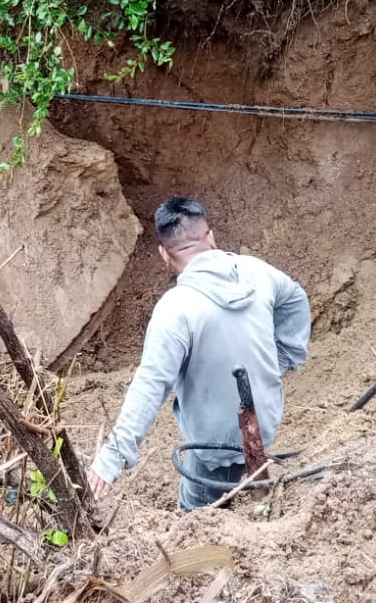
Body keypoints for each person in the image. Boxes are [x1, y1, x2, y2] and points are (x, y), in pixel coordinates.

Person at [88, 197, 311, 512]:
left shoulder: (176, 308)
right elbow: (296, 299)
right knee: (238, 469)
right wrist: (283, 357)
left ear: (164, 254)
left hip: (215, 442)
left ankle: (207, 516)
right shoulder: (256, 271)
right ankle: (249, 491)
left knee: (197, 512)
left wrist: (111, 458)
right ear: (211, 237)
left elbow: (150, 384)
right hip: (266, 418)